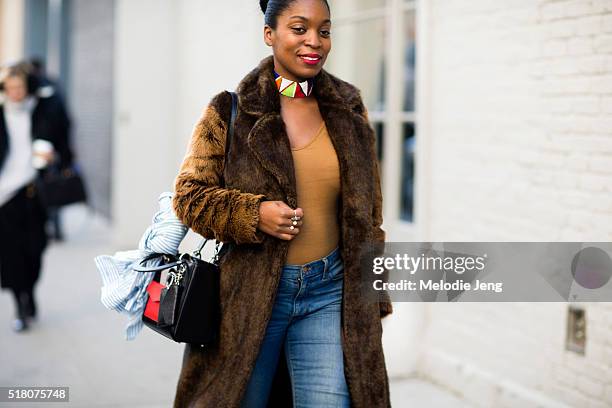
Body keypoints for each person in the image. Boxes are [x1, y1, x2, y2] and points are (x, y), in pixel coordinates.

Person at [171, 0, 393, 406]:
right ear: (269, 34)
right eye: (299, 28)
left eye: (324, 31)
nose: (315, 41)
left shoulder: (349, 107)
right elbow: (189, 197)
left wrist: (373, 294)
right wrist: (252, 214)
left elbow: (368, 215)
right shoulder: (230, 111)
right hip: (252, 295)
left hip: (330, 290)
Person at [0, 63, 71, 332]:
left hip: (34, 191)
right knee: (11, 253)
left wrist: (56, 157)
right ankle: (20, 303)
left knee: (36, 248)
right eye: (10, 88)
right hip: (5, 194)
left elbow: (62, 137)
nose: (15, 93)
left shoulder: (42, 109)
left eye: (19, 87)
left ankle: (30, 290)